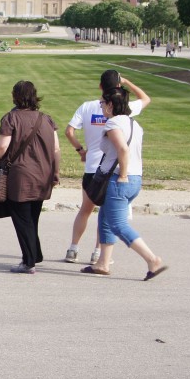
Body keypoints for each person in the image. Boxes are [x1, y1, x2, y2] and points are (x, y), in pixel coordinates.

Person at [64, 71, 151, 264]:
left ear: (100, 86)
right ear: (119, 87)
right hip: (112, 170)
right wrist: (128, 81)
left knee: (85, 210)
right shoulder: (124, 108)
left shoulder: (88, 107)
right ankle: (98, 253)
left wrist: (80, 150)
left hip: (92, 167)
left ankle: (73, 248)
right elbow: (145, 99)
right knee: (106, 214)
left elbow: (69, 131)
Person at [81, 88, 168, 280]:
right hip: (135, 178)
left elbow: (122, 149)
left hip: (119, 179)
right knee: (104, 218)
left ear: (111, 105)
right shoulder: (134, 124)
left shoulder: (113, 123)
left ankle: (152, 259)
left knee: (118, 224)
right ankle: (103, 263)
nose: (101, 106)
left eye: (103, 103)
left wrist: (122, 175)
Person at [0, 81, 60, 274]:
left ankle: (29, 261)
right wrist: (56, 172)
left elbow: (3, 146)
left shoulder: (11, 118)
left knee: (22, 220)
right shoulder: (46, 119)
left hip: (20, 176)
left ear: (15, 96)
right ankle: (35, 253)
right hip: (43, 174)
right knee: (33, 217)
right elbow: (56, 149)